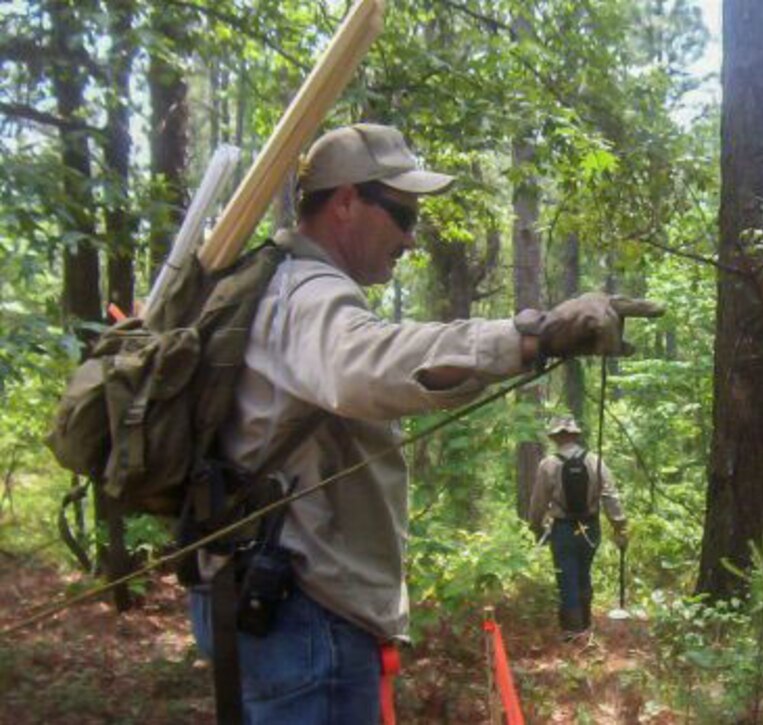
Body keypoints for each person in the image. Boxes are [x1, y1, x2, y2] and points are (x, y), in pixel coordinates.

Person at [186, 123, 659, 724]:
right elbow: (367, 365)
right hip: (303, 611)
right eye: (403, 216)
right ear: (347, 201)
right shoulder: (304, 294)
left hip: (269, 599)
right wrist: (529, 337)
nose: (411, 240)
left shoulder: (271, 286)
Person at [529, 416, 627, 640]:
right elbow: (611, 497)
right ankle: (585, 622)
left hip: (563, 529)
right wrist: (619, 526)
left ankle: (573, 630)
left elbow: (538, 501)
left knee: (567, 576)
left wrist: (535, 526)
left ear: (555, 437)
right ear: (575, 435)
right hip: (590, 527)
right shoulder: (595, 461)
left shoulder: (548, 464)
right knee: (584, 573)